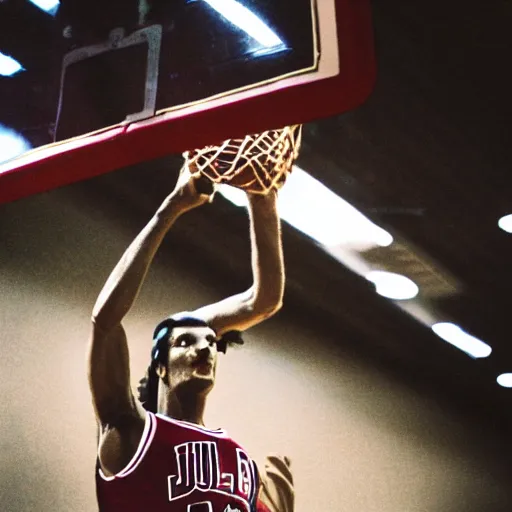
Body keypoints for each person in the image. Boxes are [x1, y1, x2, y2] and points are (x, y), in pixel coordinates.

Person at [89, 165, 291, 511]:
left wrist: (263, 194)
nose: (204, 348)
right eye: (185, 342)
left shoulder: (240, 461)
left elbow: (266, 299)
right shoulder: (131, 430)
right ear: (160, 367)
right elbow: (105, 322)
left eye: (211, 343)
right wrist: (172, 206)